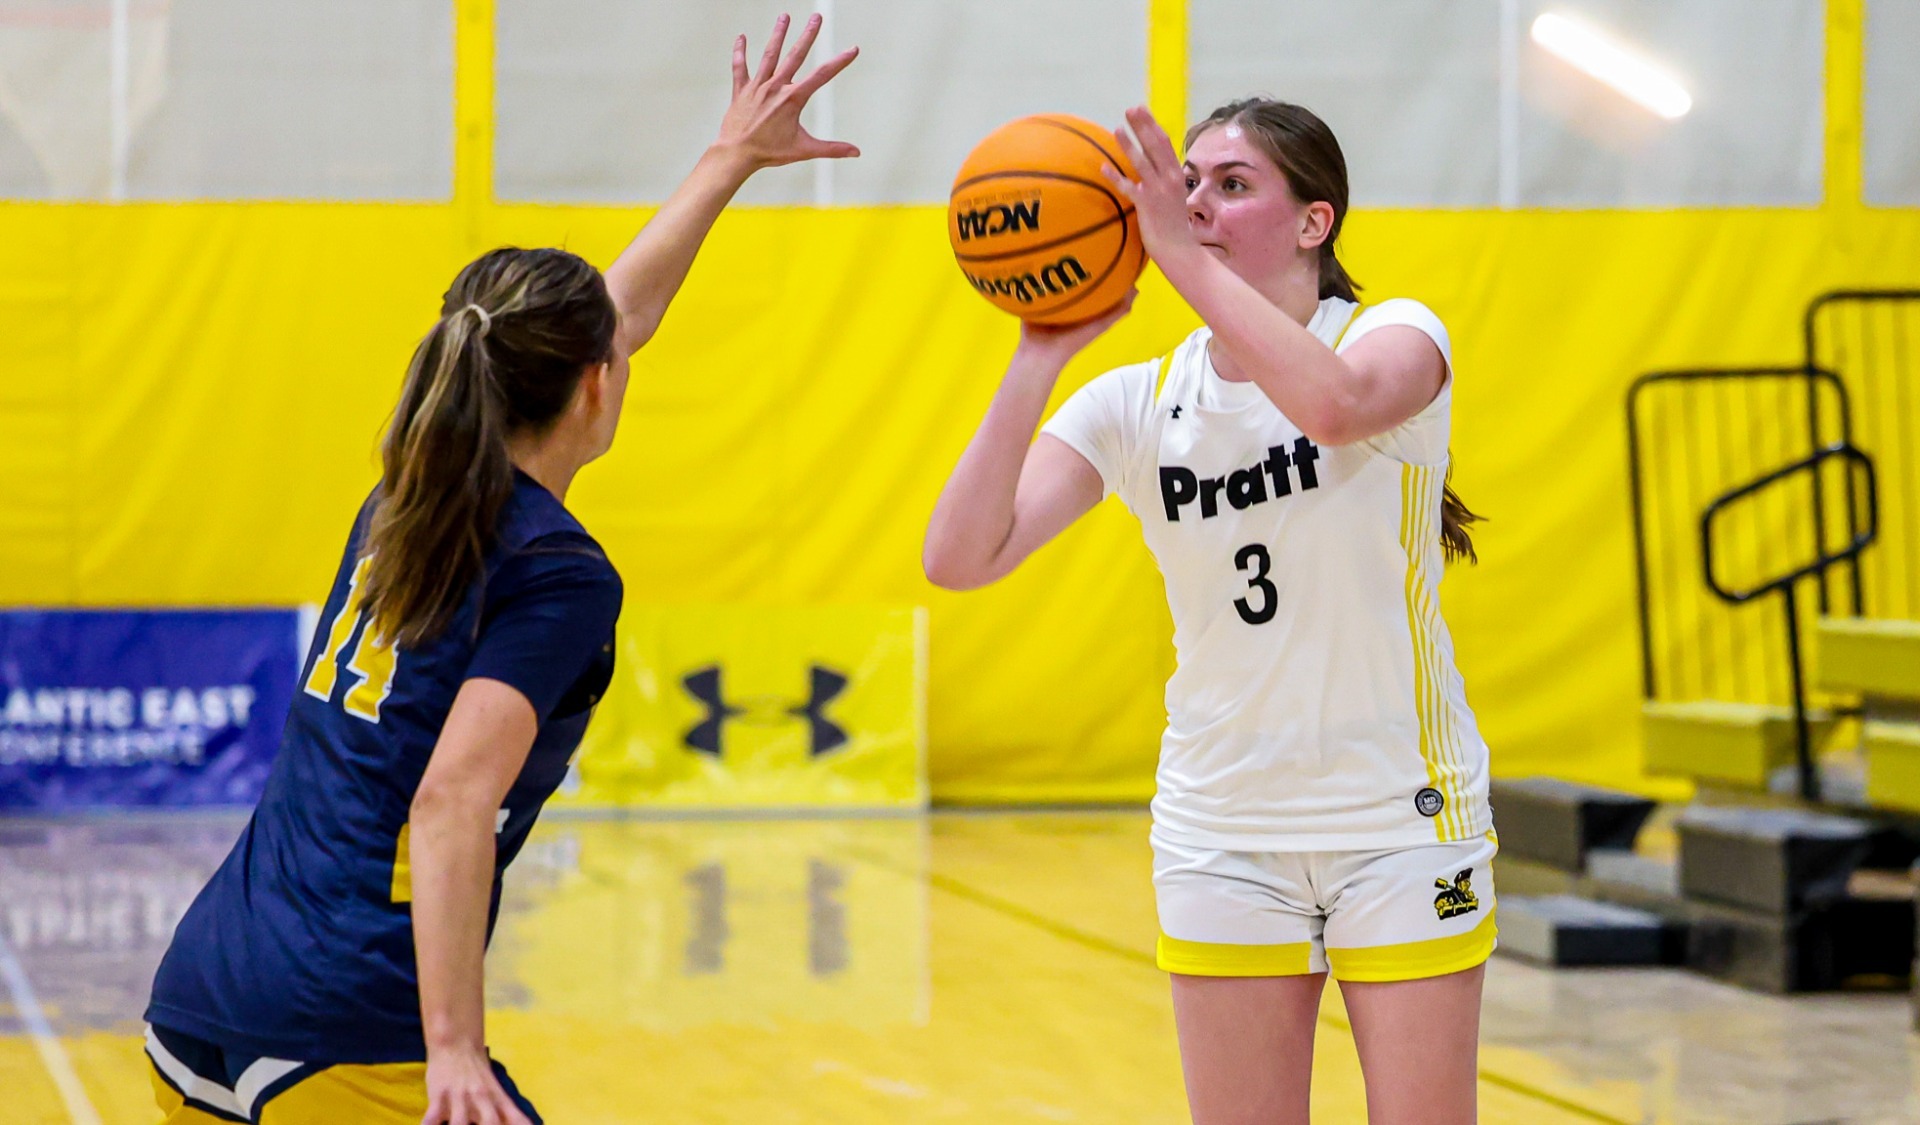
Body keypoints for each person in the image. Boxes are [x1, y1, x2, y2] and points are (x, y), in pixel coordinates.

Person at [142, 17, 857, 1124]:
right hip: (340, 1029)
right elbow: (451, 800)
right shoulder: (559, 572)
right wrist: (454, 1051)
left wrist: (727, 161)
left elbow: (614, 318)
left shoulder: (405, 498)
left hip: (198, 998)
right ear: (595, 389)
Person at [924, 98, 1494, 1125]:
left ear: (1313, 223)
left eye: (1229, 185)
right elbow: (960, 558)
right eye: (1185, 183)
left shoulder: (1395, 336)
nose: (1191, 205)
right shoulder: (1134, 402)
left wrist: (1176, 259)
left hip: (1398, 819)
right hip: (1220, 823)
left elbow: (1331, 408)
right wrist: (1039, 352)